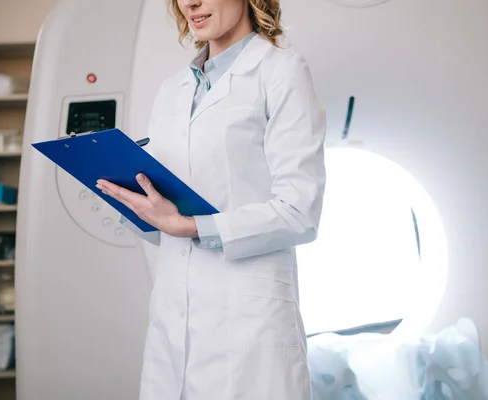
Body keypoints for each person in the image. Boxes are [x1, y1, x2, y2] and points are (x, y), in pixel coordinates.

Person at [96, 0, 326, 398]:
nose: (190, 3)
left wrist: (188, 226)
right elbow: (165, 219)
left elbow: (299, 212)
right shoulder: (173, 89)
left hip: (248, 324)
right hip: (173, 319)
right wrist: (130, 199)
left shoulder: (280, 71)